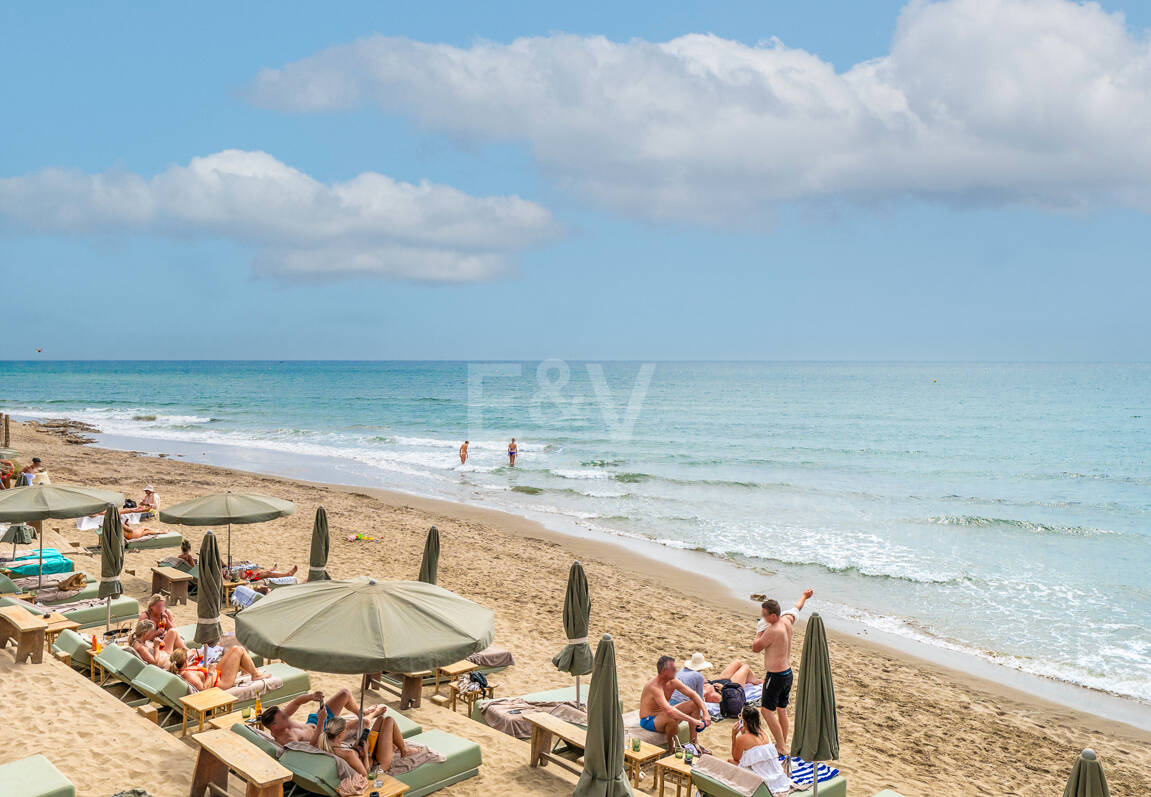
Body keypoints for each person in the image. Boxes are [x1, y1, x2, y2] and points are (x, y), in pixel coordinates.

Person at [752, 588, 814, 757]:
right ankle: (783, 744)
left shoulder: (773, 630)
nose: (763, 617)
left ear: (773, 616)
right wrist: (804, 596)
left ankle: (780, 746)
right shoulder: (787, 620)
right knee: (781, 710)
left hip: (776, 677)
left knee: (766, 711)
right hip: (787, 674)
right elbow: (797, 608)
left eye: (765, 615)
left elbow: (755, 647)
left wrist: (760, 629)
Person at [639, 655, 710, 752]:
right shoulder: (654, 687)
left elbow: (693, 694)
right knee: (671, 717)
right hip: (649, 720)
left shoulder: (673, 681)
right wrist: (694, 721)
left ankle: (693, 743)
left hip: (663, 714)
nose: (676, 670)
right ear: (664, 671)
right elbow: (670, 711)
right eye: (673, 669)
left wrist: (706, 713)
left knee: (694, 704)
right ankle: (671, 751)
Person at [260, 688, 372, 746]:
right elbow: (312, 747)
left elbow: (296, 703)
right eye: (284, 717)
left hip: (315, 720)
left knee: (345, 694)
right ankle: (373, 714)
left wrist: (311, 696)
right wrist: (321, 721)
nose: (287, 716)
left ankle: (360, 712)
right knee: (365, 723)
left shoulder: (280, 720)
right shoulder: (288, 740)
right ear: (274, 726)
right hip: (326, 733)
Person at [316, 707, 408, 776]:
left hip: (367, 755)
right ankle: (404, 751)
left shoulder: (326, 744)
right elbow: (366, 774)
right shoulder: (348, 754)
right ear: (340, 735)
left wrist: (355, 747)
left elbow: (349, 758)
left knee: (380, 719)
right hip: (376, 766)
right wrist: (366, 755)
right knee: (389, 720)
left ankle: (392, 746)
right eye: (345, 730)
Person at [728, 705, 797, 793]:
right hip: (777, 777)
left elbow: (736, 758)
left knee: (730, 762)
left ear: (743, 721)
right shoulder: (764, 732)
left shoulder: (742, 739)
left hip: (761, 780)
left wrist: (733, 735)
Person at [169, 644, 269, 691]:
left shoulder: (183, 670)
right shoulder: (187, 674)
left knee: (234, 648)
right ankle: (255, 674)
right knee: (240, 650)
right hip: (220, 683)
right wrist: (211, 672)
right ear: (185, 660)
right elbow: (204, 689)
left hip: (216, 674)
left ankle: (248, 671)